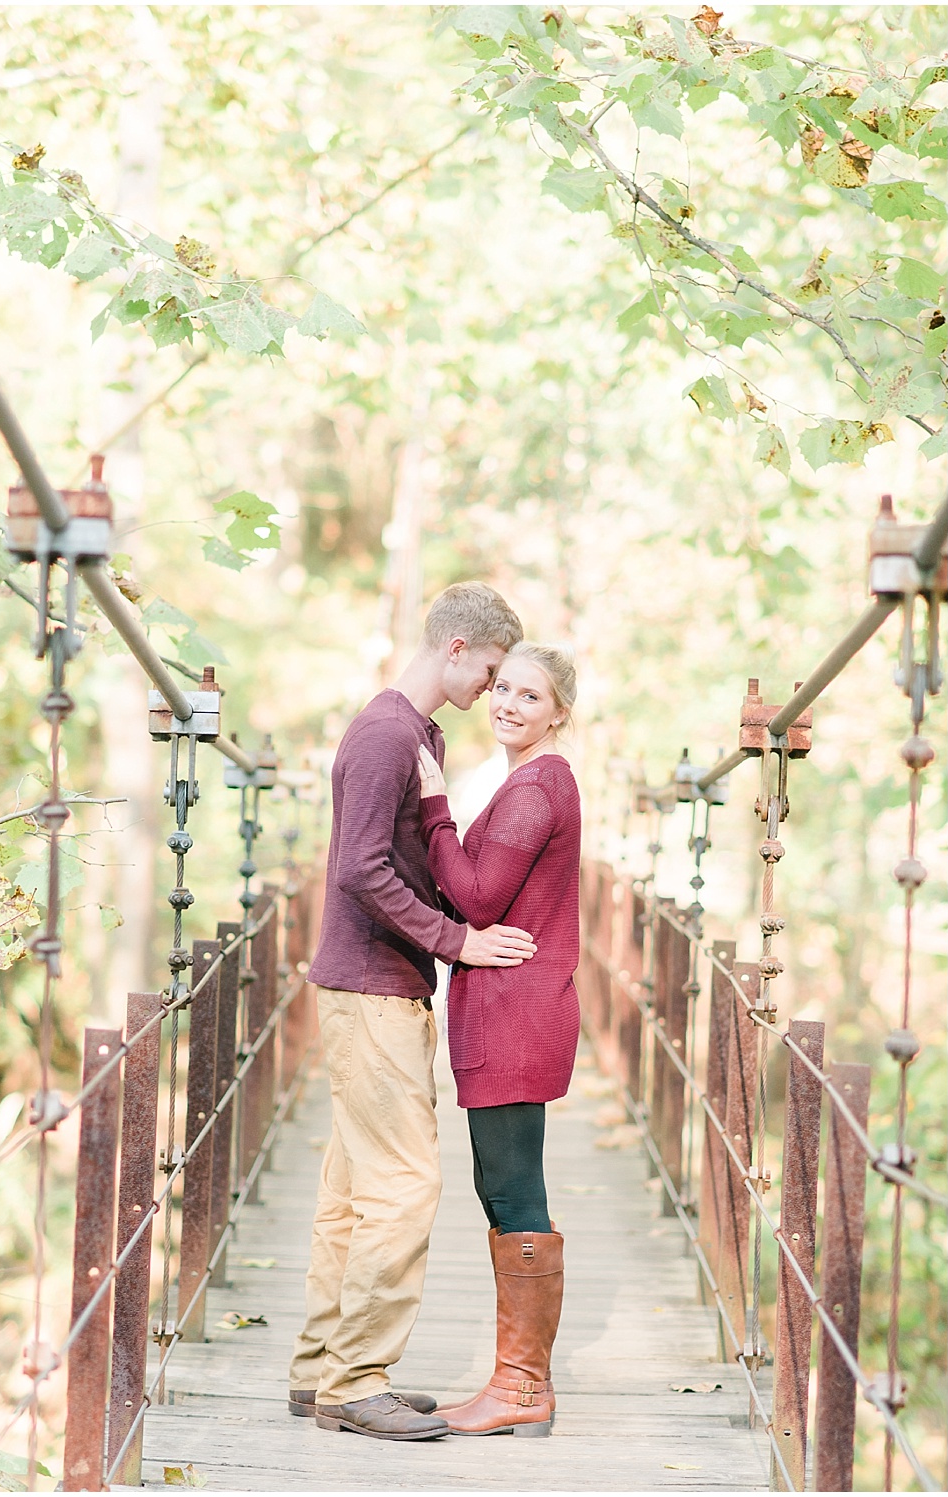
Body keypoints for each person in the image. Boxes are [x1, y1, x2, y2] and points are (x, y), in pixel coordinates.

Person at [291, 582, 537, 1442]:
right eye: (494, 671)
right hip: (371, 985)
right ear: (457, 649)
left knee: (356, 1187)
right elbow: (360, 866)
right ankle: (357, 1381)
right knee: (405, 1184)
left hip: (377, 985)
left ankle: (322, 1368)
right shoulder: (389, 733)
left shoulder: (414, 735)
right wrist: (457, 942)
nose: (495, 693)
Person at [415, 641, 582, 1438]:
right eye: (503, 688)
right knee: (501, 1187)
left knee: (515, 1192)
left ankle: (522, 1387)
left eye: (530, 694)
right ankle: (516, 1382)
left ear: (559, 711)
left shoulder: (536, 787)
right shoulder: (528, 781)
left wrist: (434, 806)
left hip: (516, 1017)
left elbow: (478, 895)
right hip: (505, 1012)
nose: (509, 703)